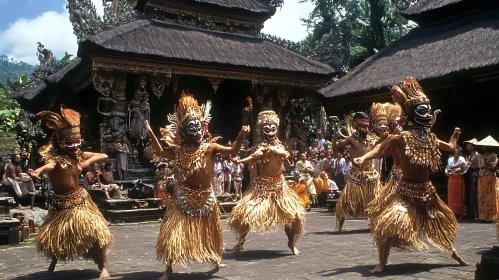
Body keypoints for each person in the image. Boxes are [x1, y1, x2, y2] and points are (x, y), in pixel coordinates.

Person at [355, 76, 468, 273]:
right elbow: (380, 148)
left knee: (443, 224)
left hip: (427, 192)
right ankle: (382, 262)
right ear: (412, 114)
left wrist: (453, 140)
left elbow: (450, 147)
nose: (428, 114)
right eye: (423, 111)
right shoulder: (402, 137)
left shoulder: (430, 138)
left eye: (428, 110)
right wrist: (364, 157)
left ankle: (453, 253)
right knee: (388, 223)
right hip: (405, 191)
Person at [145, 92, 249, 280]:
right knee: (173, 234)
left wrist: (241, 135)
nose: (197, 131)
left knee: (213, 232)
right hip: (184, 196)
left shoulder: (211, 148)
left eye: (199, 126)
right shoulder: (179, 151)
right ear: (184, 131)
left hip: (206, 196)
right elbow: (160, 151)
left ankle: (215, 258)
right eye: (191, 127)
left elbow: (234, 150)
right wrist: (151, 133)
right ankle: (168, 269)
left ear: (203, 127)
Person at [26, 106, 113, 279]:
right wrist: (37, 172)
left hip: (81, 202)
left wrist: (85, 162)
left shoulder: (79, 156)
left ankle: (102, 266)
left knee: (96, 232)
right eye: (69, 142)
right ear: (59, 142)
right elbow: (48, 167)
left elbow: (103, 156)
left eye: (76, 141)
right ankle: (54, 260)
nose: (74, 146)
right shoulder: (56, 161)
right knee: (57, 237)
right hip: (61, 205)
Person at [228, 110, 305, 255]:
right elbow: (252, 157)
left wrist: (282, 153)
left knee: (295, 216)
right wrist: (239, 161)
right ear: (261, 131)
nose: (270, 132)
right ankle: (240, 243)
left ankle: (292, 243)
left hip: (280, 187)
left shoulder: (280, 146)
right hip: (262, 187)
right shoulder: (261, 148)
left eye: (273, 129)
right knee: (245, 214)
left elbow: (286, 158)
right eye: (266, 129)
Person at [332, 111, 381, 232]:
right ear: (355, 125)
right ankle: (339, 227)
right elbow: (336, 146)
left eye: (368, 126)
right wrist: (334, 137)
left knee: (376, 200)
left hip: (371, 175)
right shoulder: (351, 139)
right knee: (346, 201)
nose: (367, 129)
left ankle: (375, 224)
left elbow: (380, 147)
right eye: (364, 126)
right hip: (355, 175)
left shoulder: (371, 140)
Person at [476, 136, 499, 222]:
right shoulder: (480, 156)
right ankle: (483, 216)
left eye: (485, 146)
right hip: (482, 177)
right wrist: (486, 163)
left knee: (491, 196)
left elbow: (493, 166)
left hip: (491, 177)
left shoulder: (494, 156)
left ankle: (492, 216)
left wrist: (487, 164)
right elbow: (480, 166)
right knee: (482, 196)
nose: (483, 147)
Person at [445, 147, 469, 217]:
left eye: (458, 152)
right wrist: (447, 171)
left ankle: (460, 212)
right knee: (452, 194)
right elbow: (447, 167)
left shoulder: (462, 159)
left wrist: (454, 168)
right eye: (455, 152)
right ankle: (452, 211)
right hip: (451, 178)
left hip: (458, 177)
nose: (456, 154)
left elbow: (463, 167)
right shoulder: (450, 159)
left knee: (459, 194)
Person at [464, 139, 480, 219]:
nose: (467, 147)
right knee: (468, 192)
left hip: (475, 175)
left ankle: (475, 212)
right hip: (468, 175)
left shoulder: (477, 155)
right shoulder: (468, 156)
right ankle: (468, 212)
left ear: (473, 147)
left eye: (468, 145)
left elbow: (478, 166)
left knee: (474, 192)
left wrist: (470, 164)